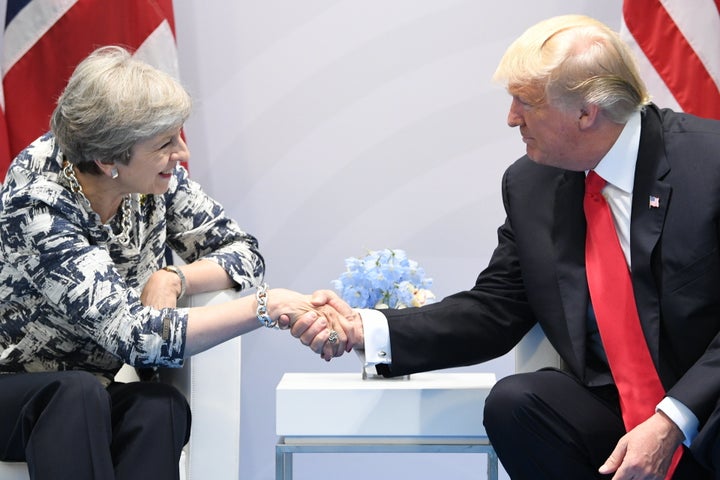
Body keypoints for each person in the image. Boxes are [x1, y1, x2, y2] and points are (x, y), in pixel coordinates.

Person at [299, 14, 720, 480]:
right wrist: (365, 329)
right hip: (618, 414)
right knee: (516, 404)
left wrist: (672, 419)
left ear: (586, 112)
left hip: (708, 407)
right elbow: (495, 309)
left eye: (526, 102)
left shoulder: (709, 164)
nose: (511, 117)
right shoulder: (531, 185)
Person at [0, 46, 342, 480]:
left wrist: (174, 276)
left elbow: (244, 253)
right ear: (109, 160)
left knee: (159, 406)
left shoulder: (153, 179)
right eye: (164, 144)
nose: (181, 153)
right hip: (12, 388)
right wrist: (267, 307)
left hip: (87, 391)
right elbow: (134, 336)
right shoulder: (37, 205)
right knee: (75, 393)